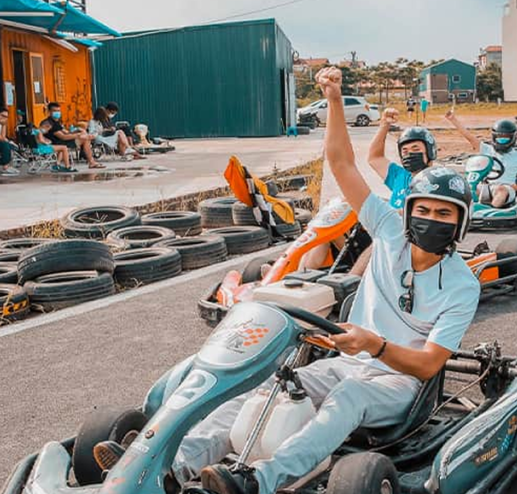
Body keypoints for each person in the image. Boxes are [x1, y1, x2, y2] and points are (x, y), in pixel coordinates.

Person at [90, 66, 481, 494]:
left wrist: (375, 344)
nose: (430, 219)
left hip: (399, 384)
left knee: (347, 399)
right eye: (423, 210)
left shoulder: (463, 286)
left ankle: (258, 480)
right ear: (409, 212)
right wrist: (334, 100)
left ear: (460, 223)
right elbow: (341, 163)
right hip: (347, 363)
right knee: (268, 384)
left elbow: (428, 364)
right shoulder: (389, 232)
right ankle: (171, 470)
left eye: (444, 213)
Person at [368, 107, 481, 210]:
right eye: (405, 151)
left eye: (415, 149)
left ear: (430, 151)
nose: (409, 154)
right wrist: (384, 125)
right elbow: (375, 158)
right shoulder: (399, 176)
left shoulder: (442, 180)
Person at [461, 116, 517, 208]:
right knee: (470, 189)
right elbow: (470, 138)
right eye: (499, 136)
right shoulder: (487, 150)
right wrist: (452, 119)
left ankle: (490, 211)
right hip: (486, 186)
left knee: (501, 190)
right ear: (494, 137)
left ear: (512, 137)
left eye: (505, 137)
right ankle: (468, 209)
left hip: (506, 188)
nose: (502, 139)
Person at [40, 102, 104, 169]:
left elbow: (66, 132)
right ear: (49, 112)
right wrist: (78, 135)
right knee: (85, 138)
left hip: (61, 141)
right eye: (54, 111)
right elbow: (63, 137)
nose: (57, 113)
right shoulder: (49, 123)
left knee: (85, 137)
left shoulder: (56, 122)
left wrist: (76, 131)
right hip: (58, 143)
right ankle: (91, 162)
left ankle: (91, 161)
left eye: (58, 111)